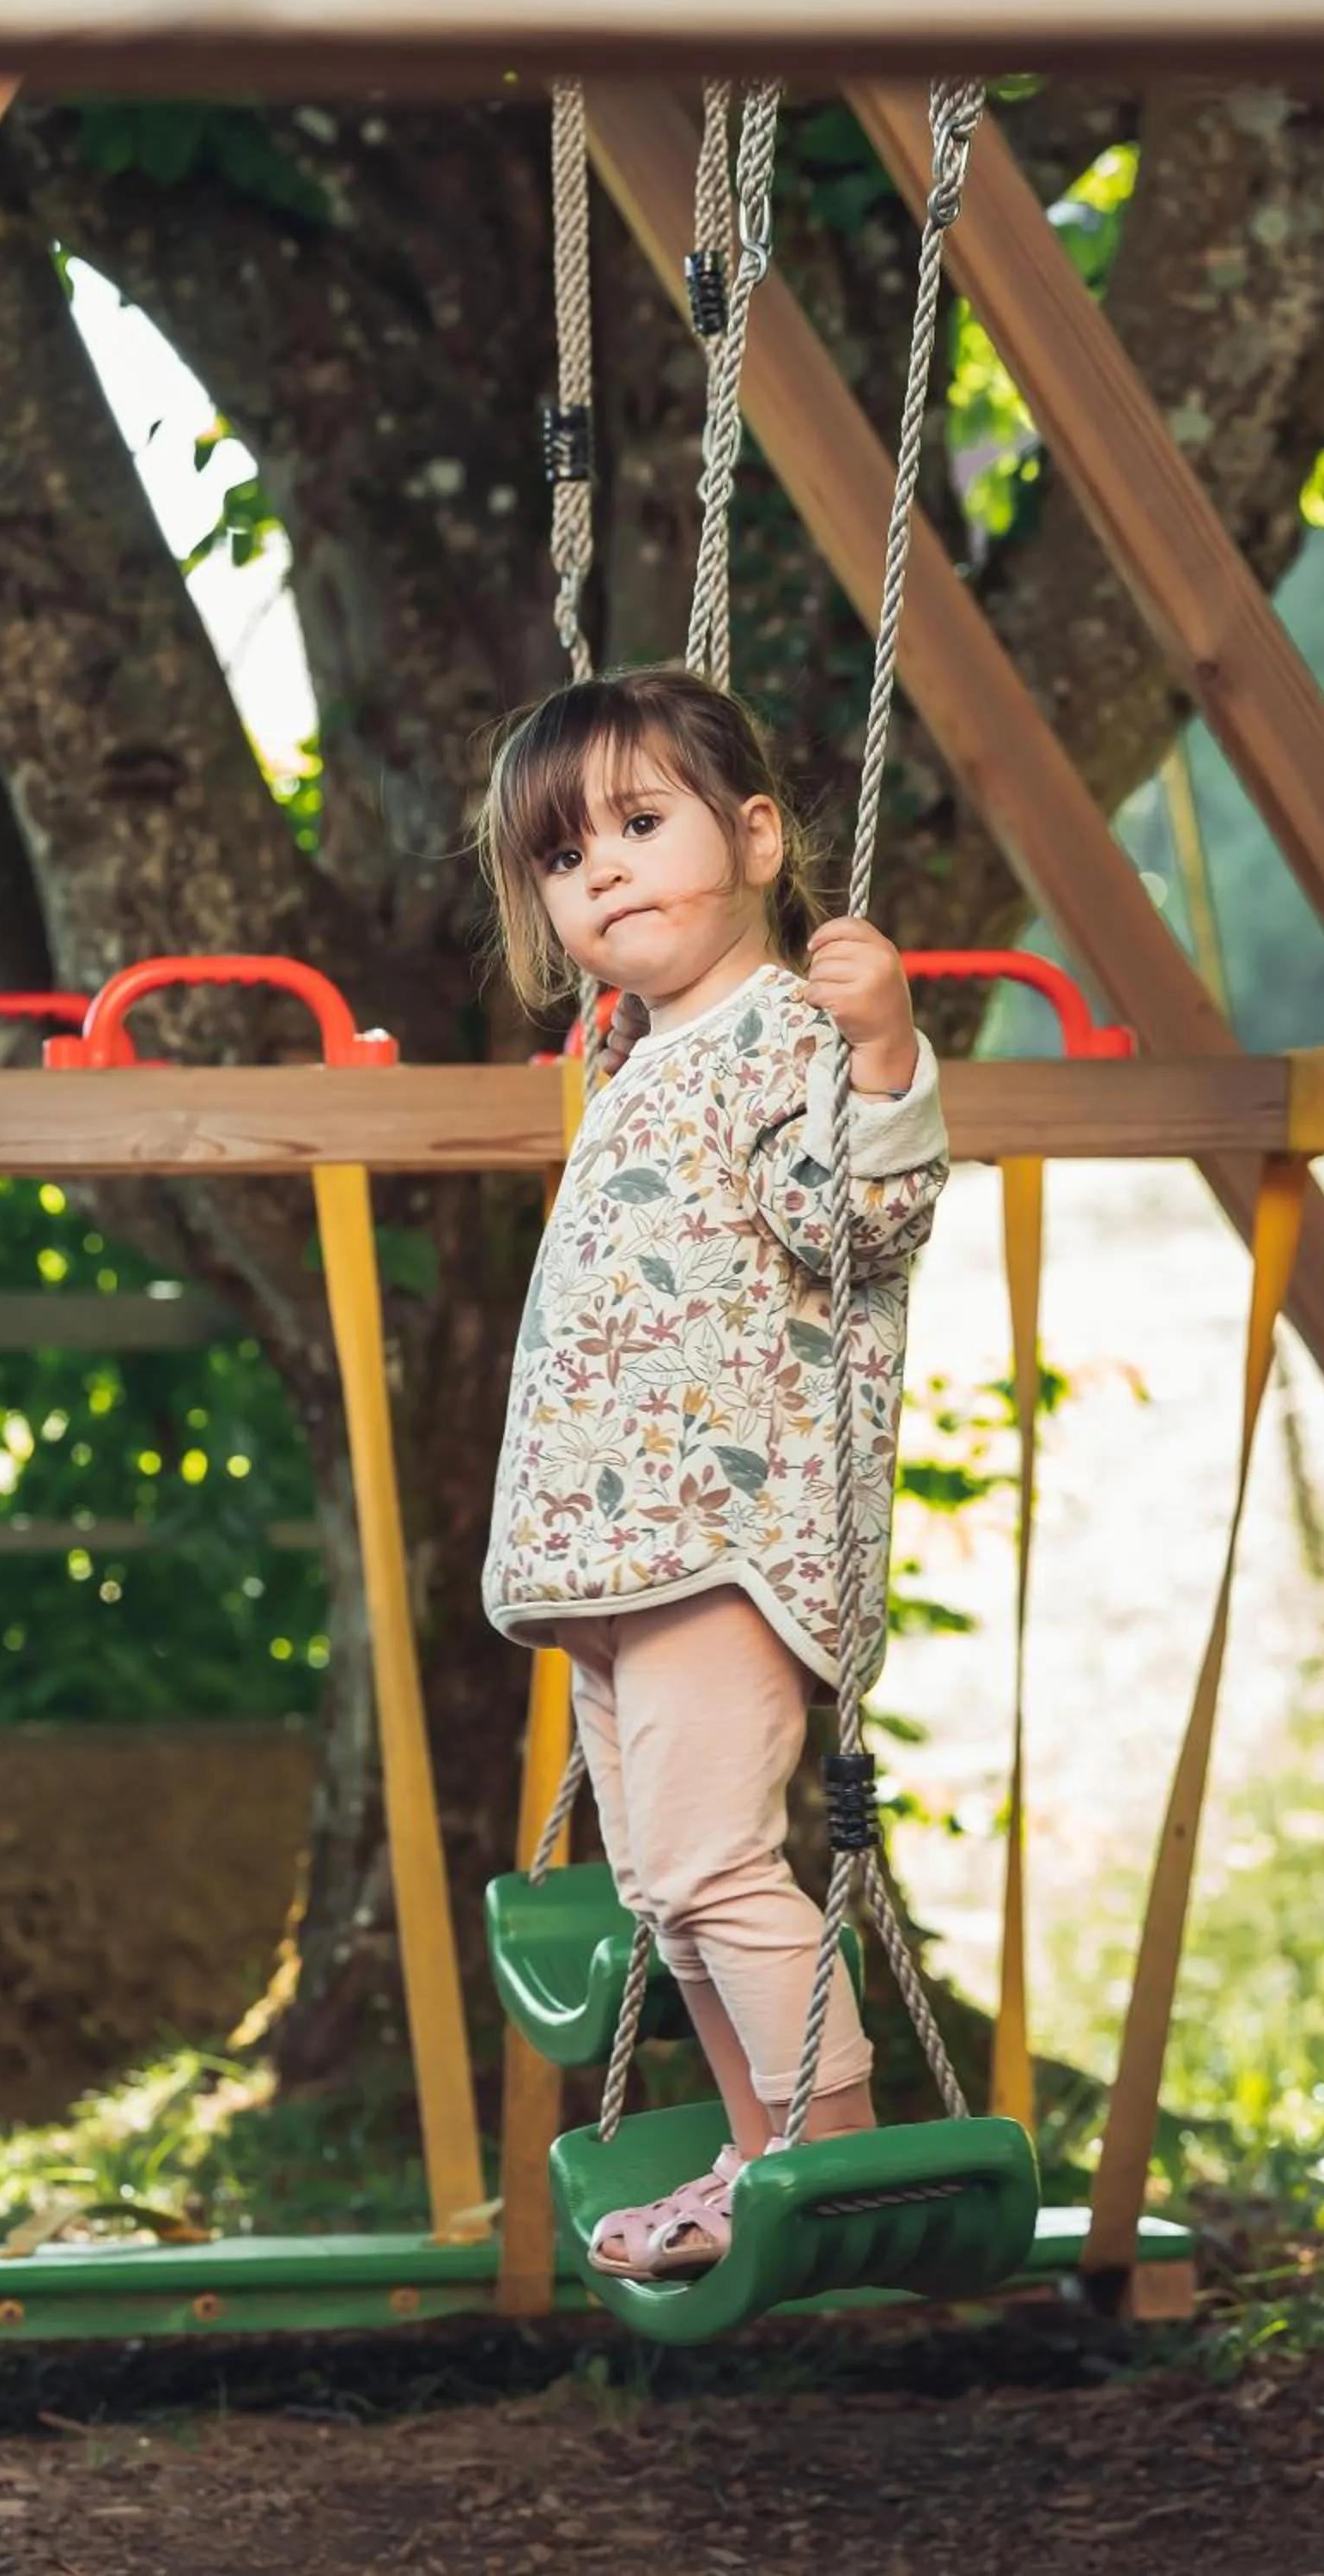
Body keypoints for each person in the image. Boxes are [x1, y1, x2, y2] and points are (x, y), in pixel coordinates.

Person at [477, 666, 949, 2281]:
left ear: (754, 840)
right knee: (666, 1894)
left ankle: (833, 2144)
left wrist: (885, 1049)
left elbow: (865, 1223)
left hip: (725, 1545)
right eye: (560, 855)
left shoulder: (786, 1036)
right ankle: (762, 2159)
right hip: (616, 1557)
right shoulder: (639, 1056)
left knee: (706, 1865)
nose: (598, 868)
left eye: (636, 821)